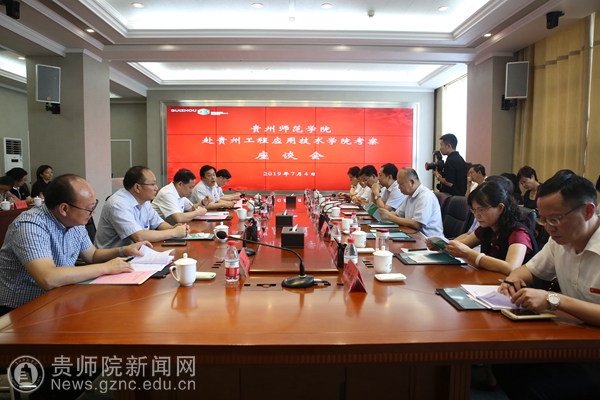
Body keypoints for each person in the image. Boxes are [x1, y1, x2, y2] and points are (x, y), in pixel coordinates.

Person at [495, 170, 600, 399]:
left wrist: (554, 300)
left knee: (539, 385)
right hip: (574, 340)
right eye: (544, 219)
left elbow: (555, 300)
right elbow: (528, 270)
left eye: (556, 219)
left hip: (593, 352)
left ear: (588, 211)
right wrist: (514, 279)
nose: (549, 228)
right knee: (504, 363)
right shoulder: (559, 241)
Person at [0, 174, 148, 316]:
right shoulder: (30, 225)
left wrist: (123, 250)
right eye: (89, 208)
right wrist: (106, 268)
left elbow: (92, 255)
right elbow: (48, 278)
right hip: (21, 311)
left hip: (58, 298)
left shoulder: (74, 221)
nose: (93, 212)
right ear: (64, 209)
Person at [445, 180, 537, 275]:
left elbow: (511, 267)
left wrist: (469, 254)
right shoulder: (487, 227)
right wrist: (442, 244)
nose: (476, 215)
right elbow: (462, 244)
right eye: (474, 210)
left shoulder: (519, 232)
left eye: (481, 210)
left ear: (500, 208)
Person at [94, 166, 189, 249]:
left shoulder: (144, 201)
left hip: (136, 253)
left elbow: (158, 224)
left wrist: (175, 228)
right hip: (113, 259)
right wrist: (174, 232)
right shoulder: (118, 204)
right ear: (137, 187)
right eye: (152, 184)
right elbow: (138, 237)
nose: (156, 188)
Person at [379, 168, 443, 237]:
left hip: (428, 239)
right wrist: (382, 215)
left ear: (412, 182)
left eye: (401, 184)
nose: (399, 187)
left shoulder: (425, 196)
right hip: (413, 235)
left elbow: (416, 224)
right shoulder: (409, 196)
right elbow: (398, 214)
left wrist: (389, 217)